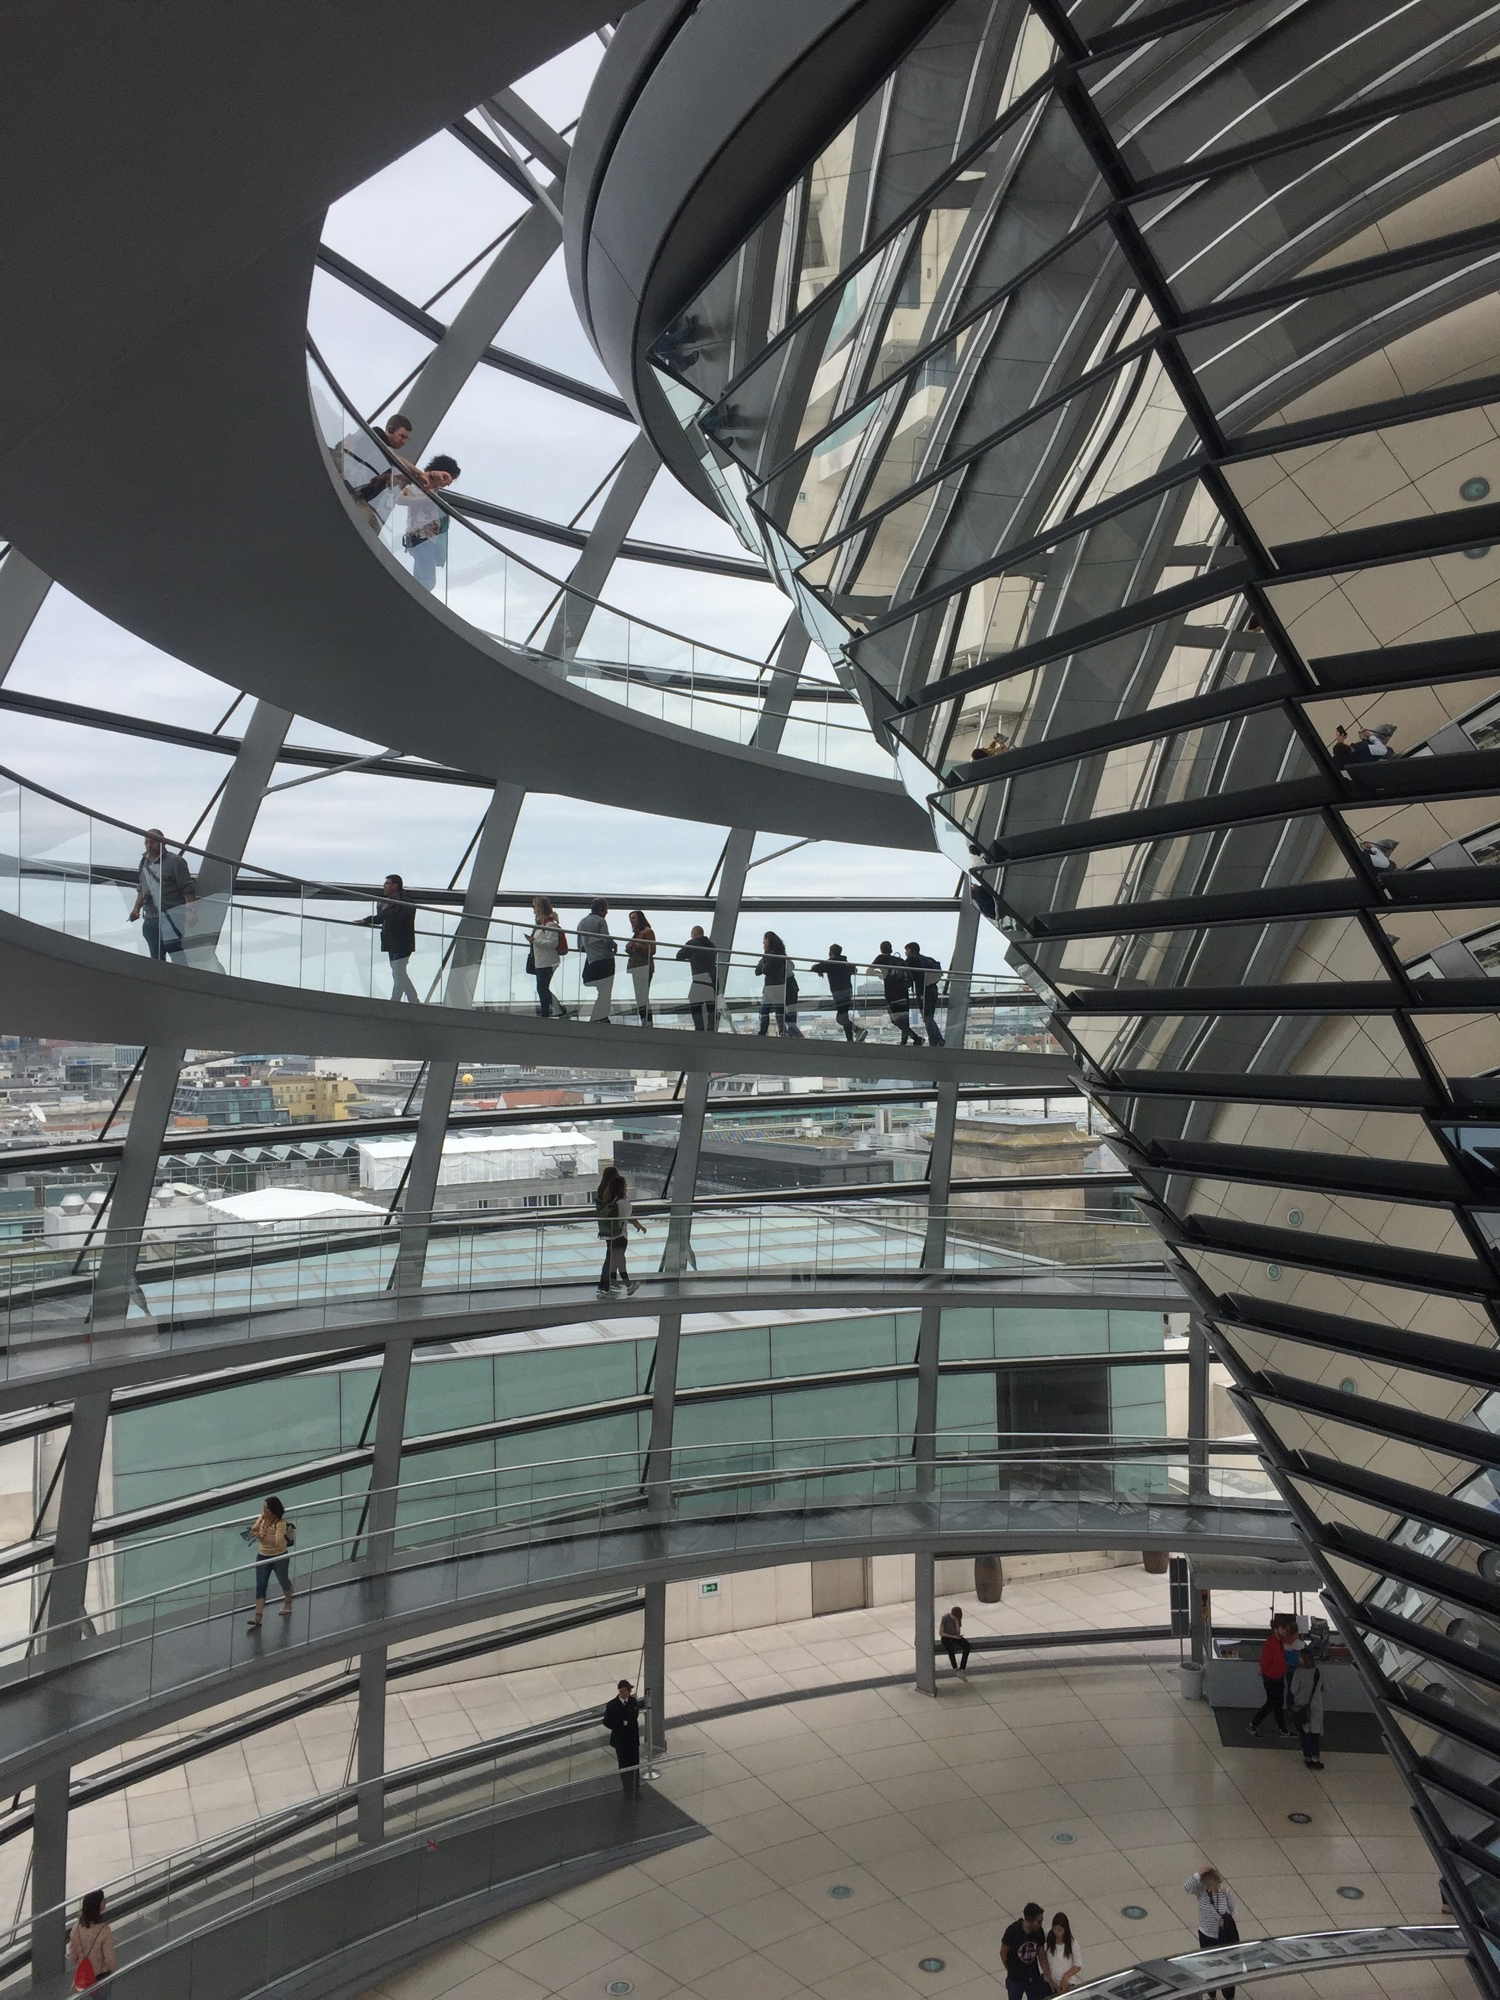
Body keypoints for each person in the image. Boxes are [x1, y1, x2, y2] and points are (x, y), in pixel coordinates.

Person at [338, 411, 417, 527]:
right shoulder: (376, 435)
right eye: (402, 436)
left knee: (372, 523)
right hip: (347, 485)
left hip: (356, 494)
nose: (404, 442)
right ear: (390, 430)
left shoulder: (388, 459)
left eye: (406, 439)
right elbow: (388, 452)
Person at [128, 828, 195, 961]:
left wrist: (191, 913)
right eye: (146, 842)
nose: (149, 845)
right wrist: (136, 909)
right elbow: (142, 889)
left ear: (163, 843)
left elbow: (187, 889)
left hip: (172, 917)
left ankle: (181, 981)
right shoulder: (144, 862)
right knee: (156, 959)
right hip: (151, 918)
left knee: (178, 956)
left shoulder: (176, 861)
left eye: (153, 841)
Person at [398, 455, 460, 592]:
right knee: (426, 581)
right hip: (422, 539)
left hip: (425, 540)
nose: (449, 483)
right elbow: (401, 497)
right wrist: (429, 482)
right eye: (448, 478)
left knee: (426, 579)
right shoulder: (423, 486)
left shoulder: (432, 491)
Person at [360, 874, 418, 1001]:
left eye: (387, 883)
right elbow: (383, 917)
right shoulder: (387, 901)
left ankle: (398, 1000)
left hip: (402, 942)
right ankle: (411, 1000)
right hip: (392, 942)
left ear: (395, 885)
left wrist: (367, 920)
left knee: (398, 972)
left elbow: (388, 917)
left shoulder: (404, 900)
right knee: (398, 973)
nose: (384, 886)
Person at [1184, 1867, 1238, 1998]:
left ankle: (1228, 1994)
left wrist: (1223, 1919)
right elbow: (1187, 1887)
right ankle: (1212, 1994)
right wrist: (1200, 1872)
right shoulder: (1201, 1893)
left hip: (1223, 1936)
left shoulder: (1225, 1893)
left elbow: (1233, 1911)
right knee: (1210, 1966)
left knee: (1227, 1966)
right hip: (1207, 1935)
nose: (1212, 1885)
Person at [594, 1164, 645, 1296]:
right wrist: (637, 1224)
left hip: (607, 1231)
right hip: (619, 1234)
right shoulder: (622, 1202)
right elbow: (626, 1214)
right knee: (616, 1261)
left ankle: (611, 1284)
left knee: (612, 1259)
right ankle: (608, 1286)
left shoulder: (602, 1194)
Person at [246, 1494, 294, 1630]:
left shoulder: (280, 1524)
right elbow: (253, 1529)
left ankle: (288, 1601)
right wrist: (256, 1533)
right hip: (262, 1556)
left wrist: (263, 1537)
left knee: (283, 1580)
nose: (263, 1510)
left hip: (279, 1556)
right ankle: (258, 1617)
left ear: (272, 1510)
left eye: (266, 1508)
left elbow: (278, 1543)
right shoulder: (261, 1519)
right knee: (261, 1585)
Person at [1249, 1614, 1296, 1737]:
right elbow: (1265, 1661)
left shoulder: (1281, 1641)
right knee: (1272, 1703)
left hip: (1278, 1677)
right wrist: (1263, 1669)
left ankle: (1282, 1729)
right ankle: (1254, 1724)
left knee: (1277, 1704)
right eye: (1284, 1628)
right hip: (1271, 1678)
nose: (1286, 1631)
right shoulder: (1271, 1643)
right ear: (1277, 1628)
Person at [812, 945, 868, 1042]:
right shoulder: (845, 963)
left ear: (831, 952)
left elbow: (814, 967)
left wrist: (820, 971)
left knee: (840, 1018)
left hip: (838, 992)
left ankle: (858, 1030)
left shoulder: (830, 963)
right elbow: (854, 970)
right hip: (848, 990)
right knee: (843, 1016)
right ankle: (850, 1039)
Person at [528, 897, 571, 1018]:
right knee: (544, 989)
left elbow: (552, 944)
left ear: (540, 908)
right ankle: (555, 1011)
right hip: (542, 963)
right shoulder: (542, 925)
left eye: (535, 907)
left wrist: (534, 941)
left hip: (547, 963)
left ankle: (547, 1013)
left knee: (543, 989)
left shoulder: (550, 925)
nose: (533, 910)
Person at [870, 941, 918, 1045]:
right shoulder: (900, 960)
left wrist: (881, 975)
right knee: (904, 1019)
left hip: (891, 993)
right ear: (891, 949)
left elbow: (869, 971)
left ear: (881, 949)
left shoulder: (881, 958)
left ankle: (916, 1038)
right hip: (903, 992)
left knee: (894, 1019)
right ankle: (905, 1041)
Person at [67, 1890, 118, 1988]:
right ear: (97, 1905)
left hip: (83, 1977)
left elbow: (73, 1956)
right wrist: (113, 1971)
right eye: (103, 1900)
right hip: (100, 1977)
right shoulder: (104, 1930)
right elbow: (110, 1960)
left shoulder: (76, 1927)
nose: (105, 1901)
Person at [999, 1902, 1049, 2000]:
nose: (1041, 1924)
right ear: (1030, 1920)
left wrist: (1047, 1974)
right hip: (1016, 1979)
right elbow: (1003, 1952)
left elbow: (1041, 1954)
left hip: (1033, 1976)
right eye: (1039, 1921)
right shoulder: (1013, 1931)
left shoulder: (1039, 1932)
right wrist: (1010, 1970)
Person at [603, 1678, 644, 1798]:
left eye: (630, 1690)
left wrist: (627, 1721)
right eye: (627, 1690)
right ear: (621, 1691)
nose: (629, 1692)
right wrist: (621, 1724)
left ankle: (636, 1789)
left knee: (635, 1764)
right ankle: (627, 1790)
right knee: (624, 1765)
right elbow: (606, 1722)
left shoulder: (633, 1701)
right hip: (620, 1741)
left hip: (632, 1740)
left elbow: (634, 1716)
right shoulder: (612, 1705)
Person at [577, 899, 616, 1023]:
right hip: (605, 960)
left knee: (602, 991)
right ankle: (599, 1017)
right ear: (601, 909)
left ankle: (599, 1017)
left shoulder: (582, 922)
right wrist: (614, 944)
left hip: (592, 961)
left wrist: (591, 948)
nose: (607, 913)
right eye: (606, 910)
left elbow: (580, 946)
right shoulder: (600, 921)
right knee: (606, 992)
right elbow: (606, 940)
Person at [676, 925, 719, 1031]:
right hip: (713, 980)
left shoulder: (693, 943)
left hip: (700, 979)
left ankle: (699, 1029)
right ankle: (710, 1030)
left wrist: (690, 954)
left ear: (693, 934)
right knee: (711, 1006)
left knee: (694, 1000)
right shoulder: (712, 945)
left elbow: (679, 956)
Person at [903, 941, 946, 1045]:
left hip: (923, 991)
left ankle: (939, 1040)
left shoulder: (911, 959)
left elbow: (905, 974)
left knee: (927, 1017)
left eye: (906, 950)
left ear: (910, 950)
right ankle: (934, 1042)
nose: (905, 953)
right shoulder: (928, 959)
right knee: (929, 1016)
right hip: (933, 990)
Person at [1290, 1648, 1325, 1770]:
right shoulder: (1317, 1672)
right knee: (1315, 1734)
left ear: (1303, 1659)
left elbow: (1293, 1690)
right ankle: (1316, 1759)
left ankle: (1308, 1758)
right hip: (1316, 1708)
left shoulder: (1298, 1672)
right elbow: (1322, 1689)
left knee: (1304, 1734)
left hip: (1302, 1708)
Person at [755, 930, 791, 1036]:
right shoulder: (781, 954)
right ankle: (782, 1032)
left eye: (764, 941)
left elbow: (761, 970)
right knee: (779, 1012)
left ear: (768, 941)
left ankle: (763, 1032)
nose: (763, 944)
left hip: (770, 987)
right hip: (780, 986)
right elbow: (759, 971)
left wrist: (764, 959)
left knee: (764, 1010)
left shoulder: (769, 955)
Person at [625, 909, 656, 1026]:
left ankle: (647, 1021)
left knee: (642, 995)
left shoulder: (648, 931)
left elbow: (652, 950)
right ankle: (645, 1020)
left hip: (644, 967)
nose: (631, 921)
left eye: (633, 918)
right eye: (630, 919)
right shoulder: (637, 933)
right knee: (640, 995)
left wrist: (636, 945)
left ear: (640, 919)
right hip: (637, 967)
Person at [1044, 1912, 1083, 1994]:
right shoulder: (1048, 1938)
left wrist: (1065, 1977)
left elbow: (1078, 1965)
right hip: (1050, 1984)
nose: (1057, 1933)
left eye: (1060, 1930)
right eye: (1055, 1929)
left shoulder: (1072, 1943)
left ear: (1065, 1929)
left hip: (1068, 1984)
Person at [939, 1604, 969, 1676]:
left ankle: (962, 1668)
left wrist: (956, 1622)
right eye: (954, 1617)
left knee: (967, 1646)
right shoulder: (945, 1618)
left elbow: (958, 1632)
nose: (954, 1618)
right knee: (951, 1649)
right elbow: (941, 1633)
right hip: (946, 1637)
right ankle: (955, 1667)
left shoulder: (957, 1618)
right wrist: (953, 1636)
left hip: (955, 1637)